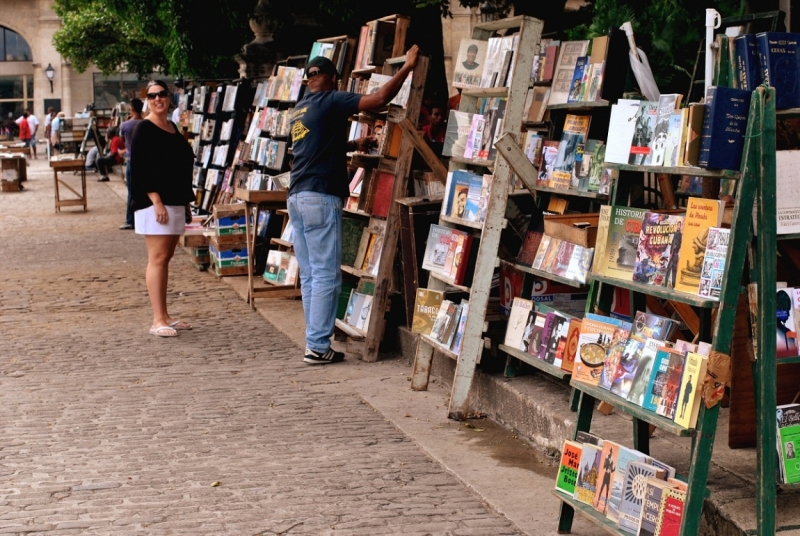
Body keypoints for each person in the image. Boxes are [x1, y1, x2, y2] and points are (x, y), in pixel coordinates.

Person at [288, 47, 419, 365]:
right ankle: (318, 346)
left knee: (309, 274)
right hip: (320, 195)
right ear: (333, 79)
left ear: (309, 81)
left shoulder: (300, 110)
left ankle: (315, 340)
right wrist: (407, 68)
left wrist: (352, 145)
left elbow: (315, 146)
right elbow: (377, 102)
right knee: (325, 275)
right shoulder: (330, 98)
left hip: (297, 196)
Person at [130, 80, 195, 338]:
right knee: (157, 258)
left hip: (175, 200)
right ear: (147, 99)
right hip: (155, 204)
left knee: (166, 258)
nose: (158, 99)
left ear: (169, 98)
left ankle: (165, 315)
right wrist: (156, 200)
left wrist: (185, 202)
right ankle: (157, 319)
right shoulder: (143, 128)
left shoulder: (172, 127)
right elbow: (140, 168)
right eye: (152, 95)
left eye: (162, 94)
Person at [119, 98, 144, 230]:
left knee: (131, 191)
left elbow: (123, 141)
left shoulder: (125, 125)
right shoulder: (146, 123)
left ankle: (130, 219)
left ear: (131, 109)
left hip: (131, 159)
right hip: (145, 160)